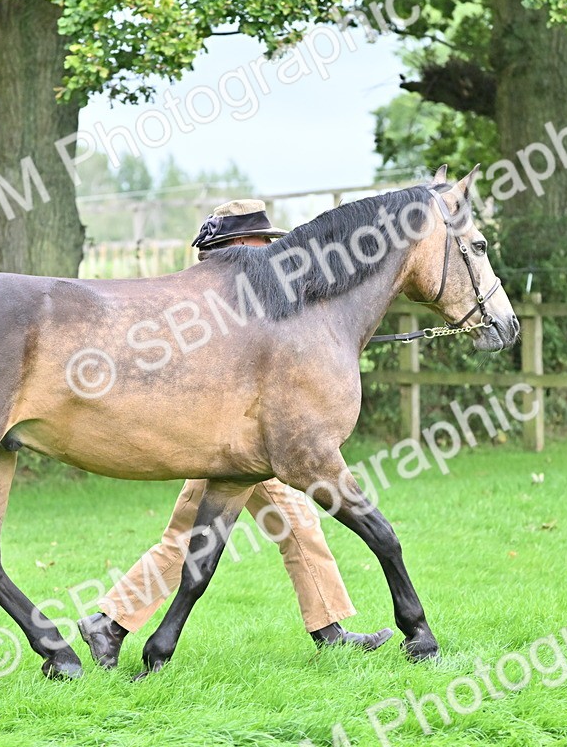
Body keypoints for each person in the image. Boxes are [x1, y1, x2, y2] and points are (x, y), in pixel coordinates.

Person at [78, 199, 393, 668]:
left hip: (247, 438)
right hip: (230, 443)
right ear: (241, 244)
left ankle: (329, 630)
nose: (269, 249)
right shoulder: (222, 298)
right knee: (189, 538)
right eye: (262, 241)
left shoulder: (243, 296)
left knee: (294, 526)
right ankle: (109, 621)